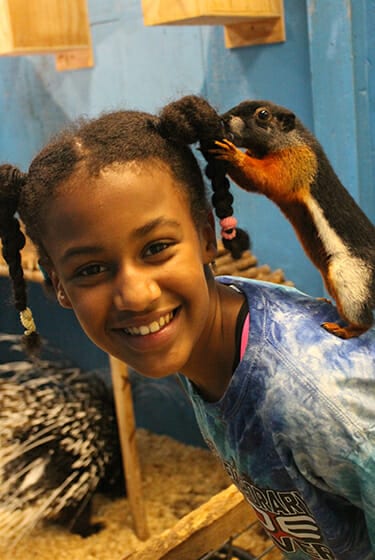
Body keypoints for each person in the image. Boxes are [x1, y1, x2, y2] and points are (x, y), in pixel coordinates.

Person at [0, 95, 374, 560]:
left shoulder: (323, 405)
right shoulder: (206, 335)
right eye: (91, 270)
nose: (136, 295)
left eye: (156, 247)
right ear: (56, 284)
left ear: (206, 237)